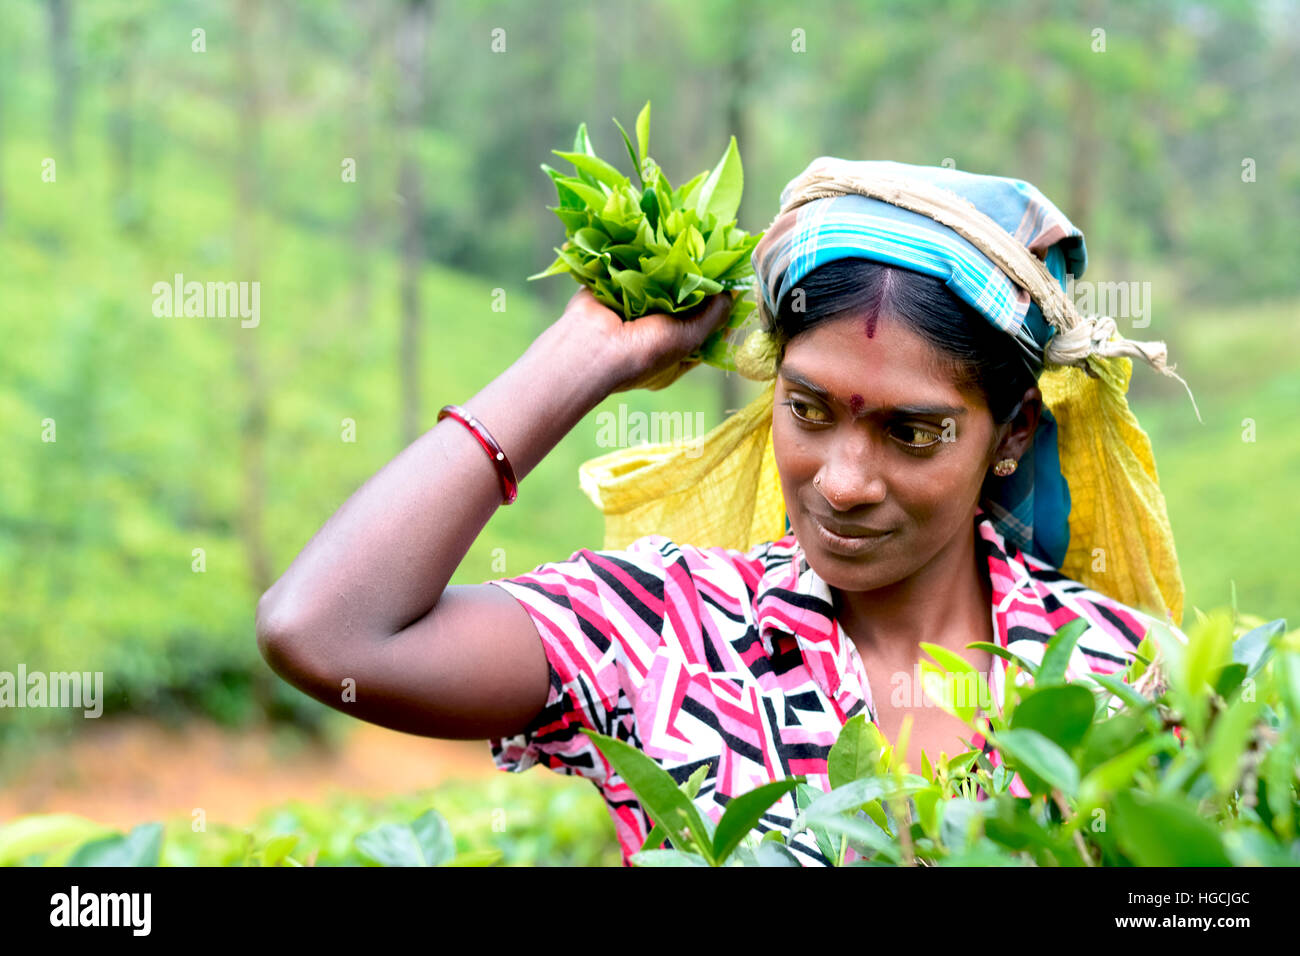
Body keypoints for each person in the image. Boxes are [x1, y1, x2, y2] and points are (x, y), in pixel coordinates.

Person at [255, 157, 1195, 867]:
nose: (842, 481)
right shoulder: (672, 631)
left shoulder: (1130, 674)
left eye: (913, 433)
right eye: (809, 410)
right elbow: (326, 634)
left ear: (1012, 433)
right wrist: (583, 356)